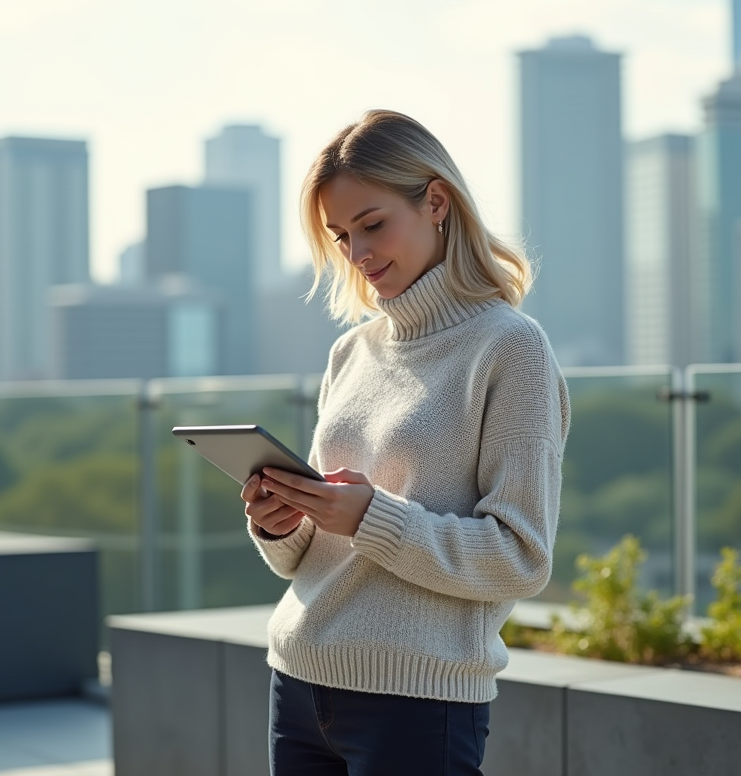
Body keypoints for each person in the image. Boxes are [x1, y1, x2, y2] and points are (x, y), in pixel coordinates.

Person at [241, 109, 570, 776]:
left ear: (437, 201)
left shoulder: (510, 349)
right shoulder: (349, 353)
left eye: (372, 225)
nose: (358, 257)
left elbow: (521, 556)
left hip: (417, 701)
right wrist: (281, 525)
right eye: (340, 238)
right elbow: (312, 556)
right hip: (299, 679)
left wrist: (371, 516)